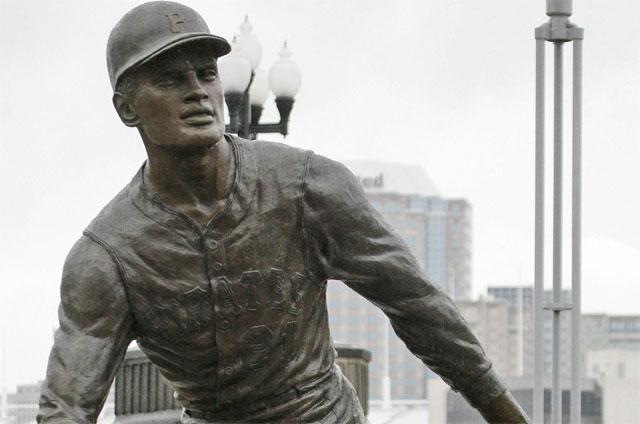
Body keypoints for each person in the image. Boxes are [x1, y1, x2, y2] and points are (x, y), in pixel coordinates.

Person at [37, 2, 530, 423]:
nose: (197, 92)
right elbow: (66, 404)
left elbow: (419, 307)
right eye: (169, 80)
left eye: (206, 74)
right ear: (127, 108)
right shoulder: (106, 257)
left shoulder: (307, 186)